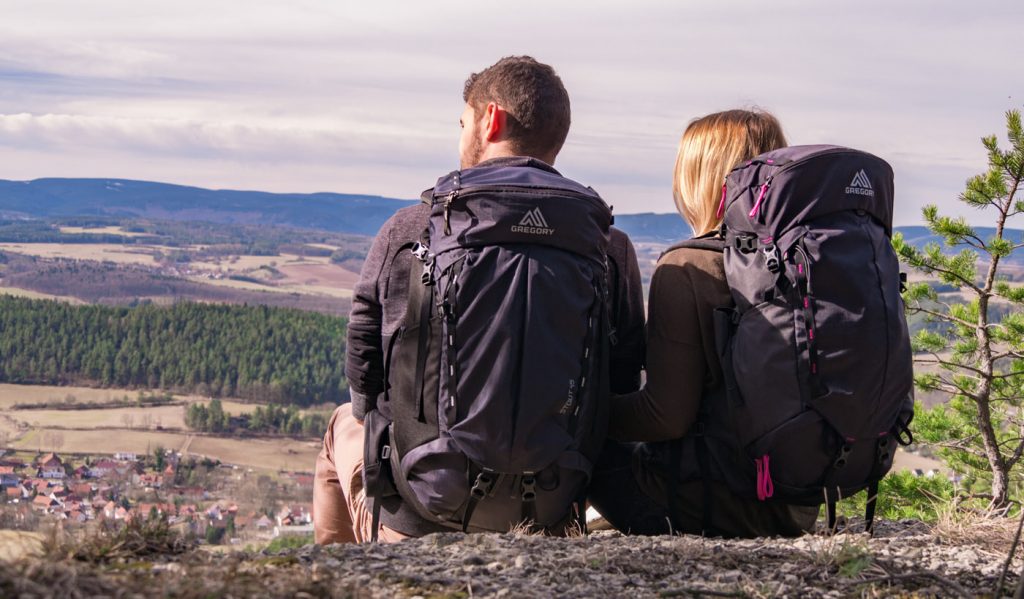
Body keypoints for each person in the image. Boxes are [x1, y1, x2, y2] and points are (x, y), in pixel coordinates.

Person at [314, 56, 646, 544]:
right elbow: (621, 382)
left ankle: (345, 576)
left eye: (463, 121)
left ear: (490, 119)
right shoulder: (607, 245)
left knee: (341, 425)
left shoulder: (412, 229)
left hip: (419, 509)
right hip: (550, 509)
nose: (462, 133)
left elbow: (364, 371)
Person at [587, 109, 819, 538]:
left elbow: (664, 417)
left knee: (586, 447)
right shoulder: (801, 263)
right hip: (793, 503)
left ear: (699, 178)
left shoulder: (689, 265)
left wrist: (583, 415)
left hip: (708, 506)